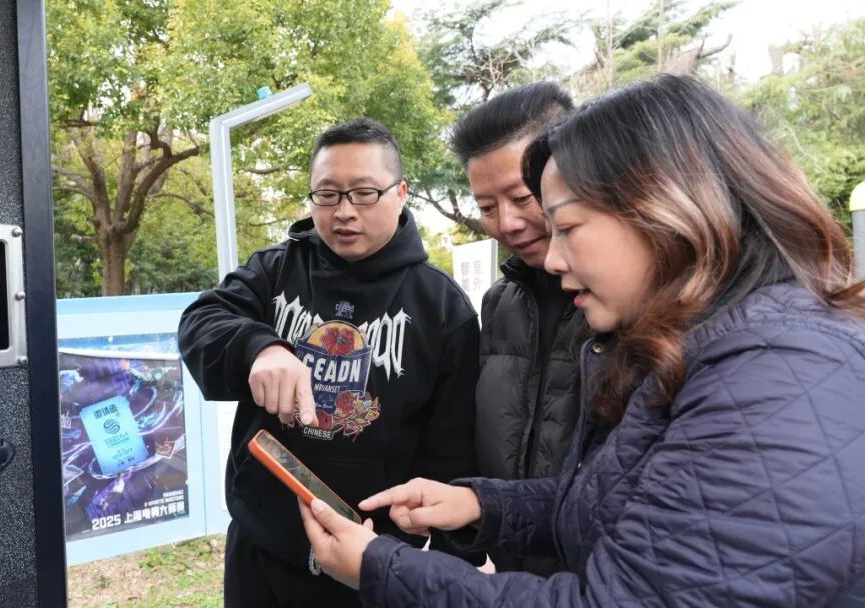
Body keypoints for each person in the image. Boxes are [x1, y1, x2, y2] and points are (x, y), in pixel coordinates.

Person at [298, 75, 865, 606]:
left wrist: (380, 567)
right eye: (488, 207)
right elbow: (620, 501)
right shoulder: (702, 343)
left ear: (667, 206)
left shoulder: (773, 374)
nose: (551, 256)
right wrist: (483, 504)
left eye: (565, 226)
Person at [179, 117, 480, 607]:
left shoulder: (442, 308)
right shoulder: (274, 270)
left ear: (401, 193)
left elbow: (453, 452)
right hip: (261, 547)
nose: (344, 211)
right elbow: (201, 322)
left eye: (363, 193)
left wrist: (443, 564)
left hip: (370, 563)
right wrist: (258, 347)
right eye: (327, 194)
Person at [451, 82, 585, 574]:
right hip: (512, 569)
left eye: (522, 198)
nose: (506, 224)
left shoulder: (625, 303)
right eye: (487, 208)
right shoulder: (499, 303)